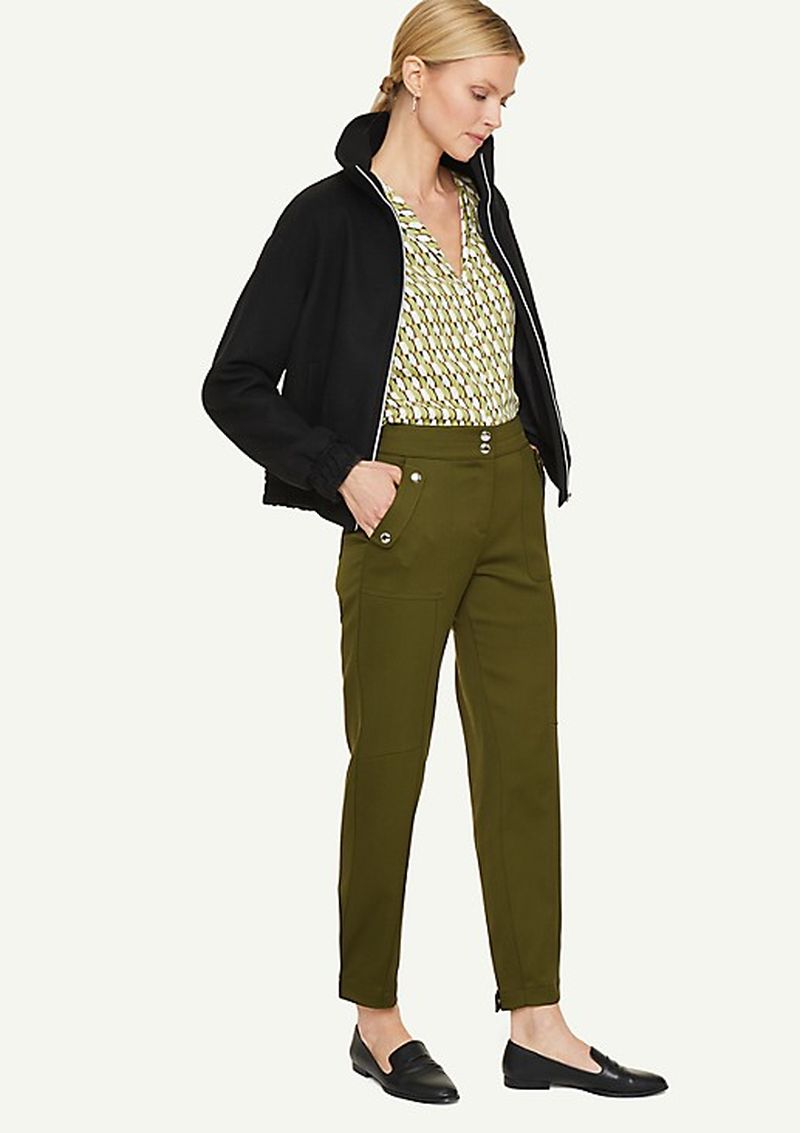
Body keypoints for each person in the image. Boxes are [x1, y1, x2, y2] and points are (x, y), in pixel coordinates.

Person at [201, 0, 668, 1105]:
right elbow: (232, 382)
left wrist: (537, 454)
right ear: (414, 75)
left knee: (523, 760)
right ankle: (376, 1018)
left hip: (508, 496)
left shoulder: (485, 205)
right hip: (400, 501)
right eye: (480, 92)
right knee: (390, 762)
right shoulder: (327, 217)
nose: (495, 116)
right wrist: (340, 471)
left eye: (507, 99)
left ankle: (537, 1023)